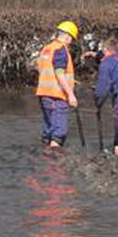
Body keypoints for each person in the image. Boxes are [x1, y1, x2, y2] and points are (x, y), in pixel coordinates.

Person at [35, 20, 79, 148]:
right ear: (67, 36)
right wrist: (71, 95)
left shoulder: (47, 48)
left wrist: (70, 80)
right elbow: (59, 73)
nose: (71, 42)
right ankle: (56, 165)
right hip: (57, 96)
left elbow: (41, 68)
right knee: (58, 134)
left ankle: (44, 159)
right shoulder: (61, 49)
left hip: (44, 95)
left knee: (49, 130)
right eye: (72, 38)